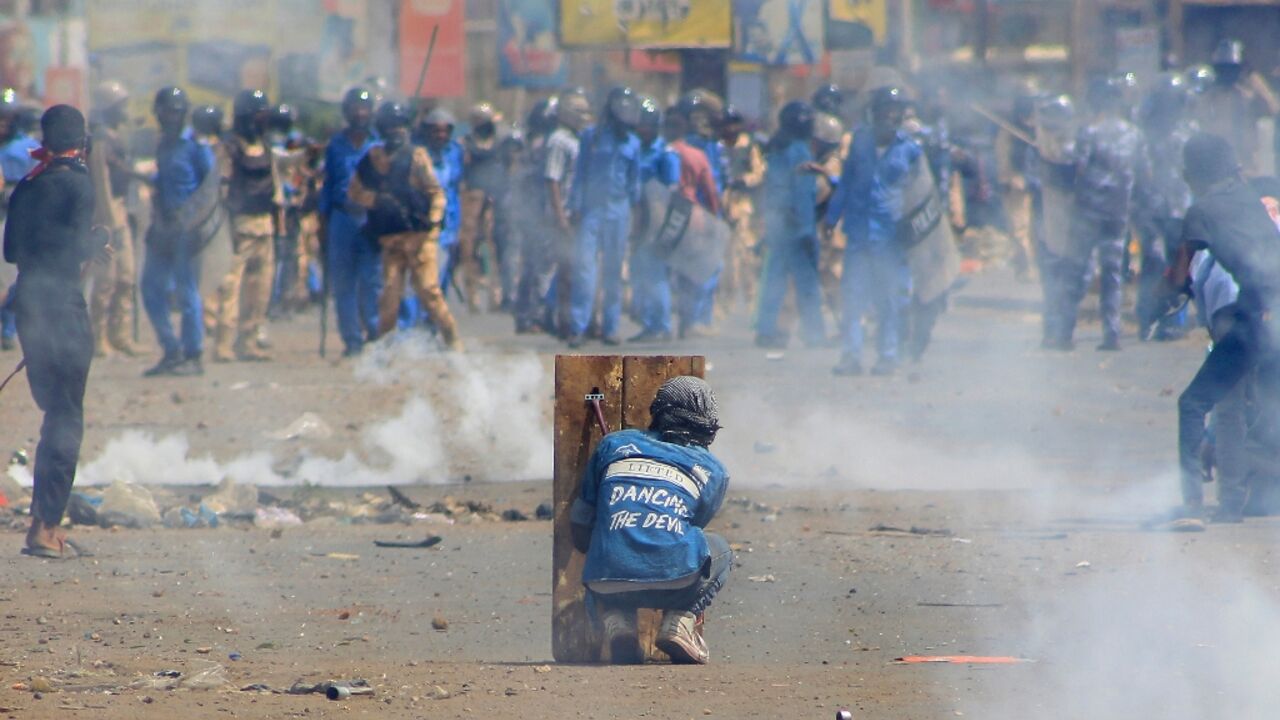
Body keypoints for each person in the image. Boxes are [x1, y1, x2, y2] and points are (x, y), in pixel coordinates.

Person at [1158, 136, 1280, 527]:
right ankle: (1233, 505)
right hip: (1268, 316)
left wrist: (1161, 296)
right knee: (1252, 408)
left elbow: (1180, 273)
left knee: (1194, 404)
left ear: (1192, 173)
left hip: (1256, 321)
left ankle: (1192, 504)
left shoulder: (1201, 212)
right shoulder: (1249, 198)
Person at [569, 376, 732, 665]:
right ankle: (680, 623)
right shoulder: (714, 470)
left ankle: (616, 621)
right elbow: (693, 527)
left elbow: (581, 522)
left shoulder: (613, 444)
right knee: (721, 549)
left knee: (604, 550)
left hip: (605, 582)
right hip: (676, 582)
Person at [3, 105, 101, 557]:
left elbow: (10, 252)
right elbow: (78, 246)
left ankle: (43, 522)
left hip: (29, 306)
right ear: (80, 142)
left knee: (53, 413)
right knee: (66, 418)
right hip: (61, 307)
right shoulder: (78, 183)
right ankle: (44, 530)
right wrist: (96, 244)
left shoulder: (28, 183)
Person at [1041, 76, 1143, 352]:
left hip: (1087, 213)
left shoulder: (1088, 133)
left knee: (1076, 273)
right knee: (1112, 276)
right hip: (1117, 213)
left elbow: (1074, 163)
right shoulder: (1134, 134)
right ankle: (1112, 335)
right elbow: (1142, 171)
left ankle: (1064, 334)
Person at [349, 101, 462, 351]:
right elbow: (354, 191)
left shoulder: (416, 156)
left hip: (419, 238)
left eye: (400, 127)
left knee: (430, 293)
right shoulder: (372, 159)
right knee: (389, 297)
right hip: (391, 240)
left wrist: (433, 221)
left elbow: (436, 193)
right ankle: (384, 348)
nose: (397, 132)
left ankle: (453, 343)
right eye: (391, 127)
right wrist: (376, 200)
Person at [826, 86, 922, 377]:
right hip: (858, 232)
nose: (890, 117)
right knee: (853, 296)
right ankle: (851, 356)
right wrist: (833, 216)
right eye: (885, 111)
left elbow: (921, 194)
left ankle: (888, 356)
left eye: (896, 112)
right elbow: (846, 182)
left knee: (888, 299)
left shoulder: (911, 150)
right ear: (875, 112)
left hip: (891, 237)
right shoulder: (859, 142)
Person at [141, 86, 211, 376]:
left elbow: (210, 190)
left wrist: (198, 225)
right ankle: (171, 349)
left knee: (187, 291)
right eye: (166, 111)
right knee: (150, 287)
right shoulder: (163, 144)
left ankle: (193, 355)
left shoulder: (196, 146)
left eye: (177, 111)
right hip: (162, 228)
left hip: (187, 230)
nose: (171, 116)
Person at [564, 86, 641, 348]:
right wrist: (574, 207)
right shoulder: (592, 137)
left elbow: (634, 183)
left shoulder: (632, 142)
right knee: (585, 268)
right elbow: (580, 174)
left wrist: (636, 215)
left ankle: (611, 328)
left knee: (613, 272)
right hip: (591, 211)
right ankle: (578, 327)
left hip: (620, 211)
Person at [212, 89, 277, 363]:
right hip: (238, 225)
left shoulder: (264, 144)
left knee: (260, 289)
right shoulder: (230, 147)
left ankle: (248, 342)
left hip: (265, 225)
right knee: (231, 286)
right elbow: (221, 187)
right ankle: (223, 344)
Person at [755, 101, 825, 349]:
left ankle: (765, 329)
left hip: (779, 223)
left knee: (775, 278)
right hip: (797, 226)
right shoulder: (798, 150)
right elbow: (801, 191)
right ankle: (815, 333)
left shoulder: (778, 147)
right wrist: (803, 227)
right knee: (807, 282)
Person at [1134, 73, 1196, 341]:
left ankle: (1173, 320)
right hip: (1152, 209)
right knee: (1154, 261)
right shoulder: (1145, 134)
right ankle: (1147, 316)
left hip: (1181, 209)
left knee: (1180, 265)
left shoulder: (1189, 132)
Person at [320, 87, 380, 357]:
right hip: (342, 218)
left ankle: (375, 334)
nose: (360, 113)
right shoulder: (336, 145)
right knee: (343, 282)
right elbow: (328, 184)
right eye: (355, 107)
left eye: (364, 108)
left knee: (371, 280)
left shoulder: (380, 146)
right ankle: (352, 340)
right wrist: (323, 221)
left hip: (371, 219)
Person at [86, 80, 142, 358]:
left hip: (122, 208)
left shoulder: (118, 138)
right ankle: (99, 338)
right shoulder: (99, 141)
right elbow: (102, 182)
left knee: (126, 277)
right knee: (106, 279)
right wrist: (110, 223)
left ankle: (121, 335)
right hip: (108, 213)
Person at [664, 105, 721, 340]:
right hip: (691, 214)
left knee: (667, 269)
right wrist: (714, 217)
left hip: (664, 214)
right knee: (694, 269)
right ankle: (689, 321)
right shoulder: (697, 155)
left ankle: (668, 321)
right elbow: (710, 191)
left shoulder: (663, 152)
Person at [628, 98, 680, 344]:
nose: (641, 130)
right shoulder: (636, 148)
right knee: (640, 270)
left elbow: (671, 191)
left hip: (657, 217)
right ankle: (649, 323)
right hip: (638, 216)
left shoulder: (665, 153)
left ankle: (662, 324)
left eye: (646, 125)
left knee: (655, 271)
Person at [1195, 39, 1280, 177]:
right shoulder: (1210, 96)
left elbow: (1272, 109)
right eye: (1222, 69)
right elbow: (1201, 121)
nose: (1227, 73)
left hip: (1247, 167)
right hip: (1219, 167)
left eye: (1232, 68)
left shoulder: (1248, 94)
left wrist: (1251, 77)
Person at [512, 97, 561, 334]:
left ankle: (529, 315)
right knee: (539, 267)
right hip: (537, 214)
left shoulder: (535, 143)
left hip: (533, 213)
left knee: (535, 266)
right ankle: (533, 316)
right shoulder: (541, 145)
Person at [543, 92, 590, 336]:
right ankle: (561, 320)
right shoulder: (558, 141)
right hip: (565, 214)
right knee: (565, 269)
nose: (584, 116)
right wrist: (560, 217)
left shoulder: (580, 138)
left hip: (579, 214)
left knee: (577, 268)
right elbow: (553, 180)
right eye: (579, 111)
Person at [458, 102, 508, 311]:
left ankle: (496, 295)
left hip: (494, 198)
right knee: (468, 245)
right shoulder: (466, 144)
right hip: (472, 197)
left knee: (494, 245)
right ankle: (473, 296)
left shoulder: (499, 143)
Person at [0, 89, 39, 351]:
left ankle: (8, 327)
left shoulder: (30, 149)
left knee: (16, 276)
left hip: (18, 219)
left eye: (8, 118)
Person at [718, 105, 765, 314]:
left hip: (743, 205)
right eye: (728, 124)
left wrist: (744, 180)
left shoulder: (749, 146)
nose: (731, 128)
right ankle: (723, 307)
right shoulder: (717, 146)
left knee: (746, 255)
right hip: (721, 204)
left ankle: (751, 304)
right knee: (725, 259)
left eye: (734, 124)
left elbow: (759, 172)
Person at [417, 108, 465, 299]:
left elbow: (456, 188)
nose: (441, 135)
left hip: (448, 222)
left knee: (442, 274)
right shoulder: (418, 153)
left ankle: (434, 321)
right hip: (423, 221)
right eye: (436, 130)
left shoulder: (455, 152)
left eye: (445, 131)